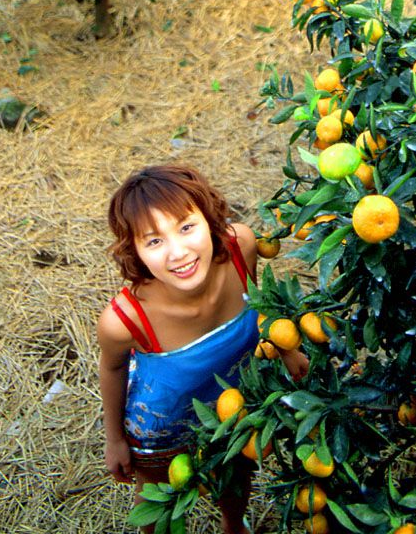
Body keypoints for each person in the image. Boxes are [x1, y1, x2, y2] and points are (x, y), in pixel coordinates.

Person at [97, 164, 305, 534]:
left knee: (236, 466)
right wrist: (115, 439)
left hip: (233, 400)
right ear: (136, 252)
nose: (178, 252)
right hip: (162, 421)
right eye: (154, 240)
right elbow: (112, 370)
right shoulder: (125, 320)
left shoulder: (241, 248)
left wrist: (286, 350)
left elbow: (260, 309)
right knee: (159, 498)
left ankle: (233, 526)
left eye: (186, 227)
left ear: (208, 220)